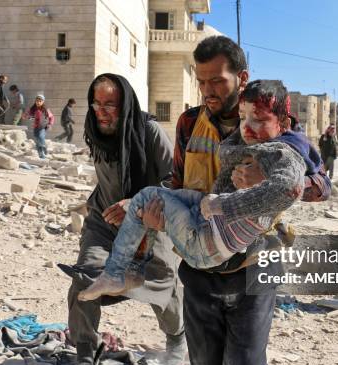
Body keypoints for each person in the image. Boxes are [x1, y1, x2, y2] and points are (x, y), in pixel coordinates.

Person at [141, 36, 330, 365]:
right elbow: (177, 180)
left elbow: (322, 185)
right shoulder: (188, 123)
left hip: (254, 268)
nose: (207, 90)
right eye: (201, 80)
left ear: (241, 78)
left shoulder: (276, 126)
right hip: (199, 269)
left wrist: (273, 181)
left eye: (217, 81)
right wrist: (156, 209)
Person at [77, 80, 306, 301]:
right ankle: (130, 268)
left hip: (209, 243)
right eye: (243, 117)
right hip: (211, 228)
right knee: (146, 200)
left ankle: (118, 273)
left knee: (147, 197)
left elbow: (290, 187)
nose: (246, 127)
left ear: (284, 124)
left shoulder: (281, 153)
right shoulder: (248, 143)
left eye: (259, 119)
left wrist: (223, 206)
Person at [57, 74, 185, 365]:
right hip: (106, 220)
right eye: (96, 103)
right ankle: (86, 357)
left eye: (110, 105)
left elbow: (176, 182)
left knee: (162, 282)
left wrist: (136, 202)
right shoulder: (93, 129)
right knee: (86, 276)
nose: (101, 111)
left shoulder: (150, 131)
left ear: (125, 104)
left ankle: (177, 339)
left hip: (151, 222)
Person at [24, 94, 54, 159]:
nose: (38, 102)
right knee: (37, 141)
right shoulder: (33, 109)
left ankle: (44, 148)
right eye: (37, 101)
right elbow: (31, 118)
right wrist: (26, 116)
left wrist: (50, 124)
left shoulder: (45, 109)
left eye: (40, 101)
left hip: (43, 127)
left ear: (43, 102)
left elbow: (51, 117)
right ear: (35, 101)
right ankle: (41, 156)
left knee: (41, 137)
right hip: (36, 127)